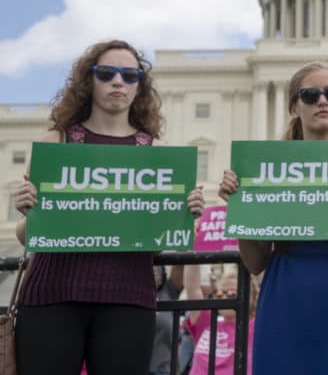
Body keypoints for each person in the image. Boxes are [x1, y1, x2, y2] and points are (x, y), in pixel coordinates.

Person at [13, 39, 205, 375]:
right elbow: (28, 236)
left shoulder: (157, 151)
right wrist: (28, 210)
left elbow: (155, 243)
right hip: (53, 296)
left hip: (127, 299)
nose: (119, 82)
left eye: (130, 75)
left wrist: (181, 214)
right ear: (89, 80)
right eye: (107, 73)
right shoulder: (55, 142)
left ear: (138, 86)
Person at [219, 62, 328, 373]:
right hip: (285, 291)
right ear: (294, 106)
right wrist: (241, 208)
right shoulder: (268, 171)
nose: (322, 101)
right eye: (310, 94)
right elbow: (255, 262)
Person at [183, 265, 256, 375]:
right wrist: (193, 248)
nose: (224, 297)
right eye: (220, 293)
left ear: (250, 296)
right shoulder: (206, 321)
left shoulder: (255, 326)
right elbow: (192, 287)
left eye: (232, 293)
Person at [149, 264, 184, 375]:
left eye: (158, 267)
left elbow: (180, 264)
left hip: (163, 369)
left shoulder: (168, 292)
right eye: (150, 266)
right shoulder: (129, 294)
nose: (154, 269)